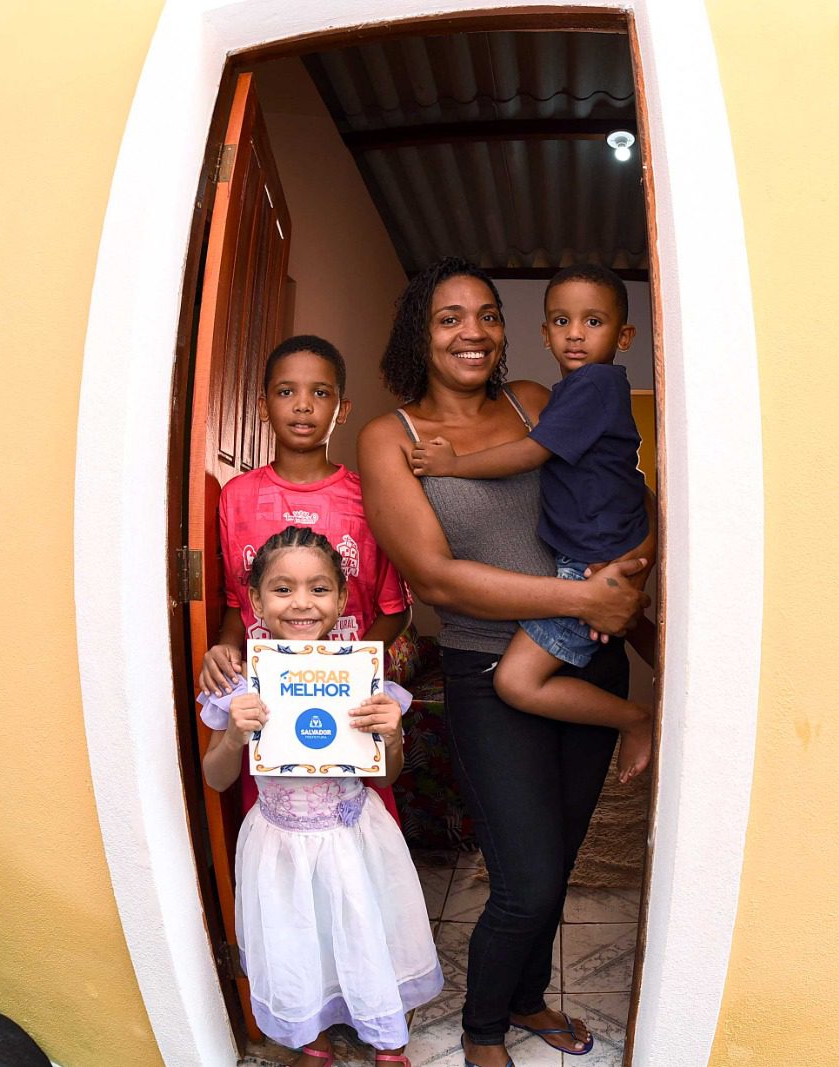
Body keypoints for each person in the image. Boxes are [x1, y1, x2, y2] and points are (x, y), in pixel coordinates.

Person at [357, 258, 652, 1067]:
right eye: (450, 317)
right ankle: (484, 1028)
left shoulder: (536, 400)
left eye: (487, 314)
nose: (473, 331)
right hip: (494, 676)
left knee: (555, 866)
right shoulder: (393, 439)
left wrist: (634, 567)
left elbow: (608, 491)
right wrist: (582, 601)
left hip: (589, 663)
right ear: (421, 331)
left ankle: (527, 999)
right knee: (522, 880)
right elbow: (434, 578)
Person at [200, 526, 440, 1067]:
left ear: (340, 599)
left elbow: (383, 778)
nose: (301, 603)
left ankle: (385, 1034)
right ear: (256, 601)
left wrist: (392, 737)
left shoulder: (364, 677)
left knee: (363, 928)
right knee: (297, 938)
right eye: (282, 590)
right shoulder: (242, 684)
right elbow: (215, 779)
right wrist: (235, 735)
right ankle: (314, 1034)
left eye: (319, 588)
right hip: (279, 844)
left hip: (355, 837)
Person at [407, 263, 655, 783]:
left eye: (594, 322)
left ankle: (636, 717)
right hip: (586, 569)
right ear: (544, 334)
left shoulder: (590, 388)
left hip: (586, 564)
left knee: (518, 682)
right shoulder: (573, 392)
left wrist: (453, 465)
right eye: (562, 321)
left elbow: (530, 453)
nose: (576, 335)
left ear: (625, 335)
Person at [199, 334, 412, 821]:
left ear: (342, 407)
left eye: (320, 393)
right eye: (285, 391)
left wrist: (346, 671)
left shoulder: (368, 497)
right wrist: (226, 648)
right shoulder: (235, 497)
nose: (302, 406)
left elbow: (395, 611)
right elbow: (237, 601)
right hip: (267, 701)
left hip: (344, 701)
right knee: (278, 827)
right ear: (262, 405)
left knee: (359, 835)